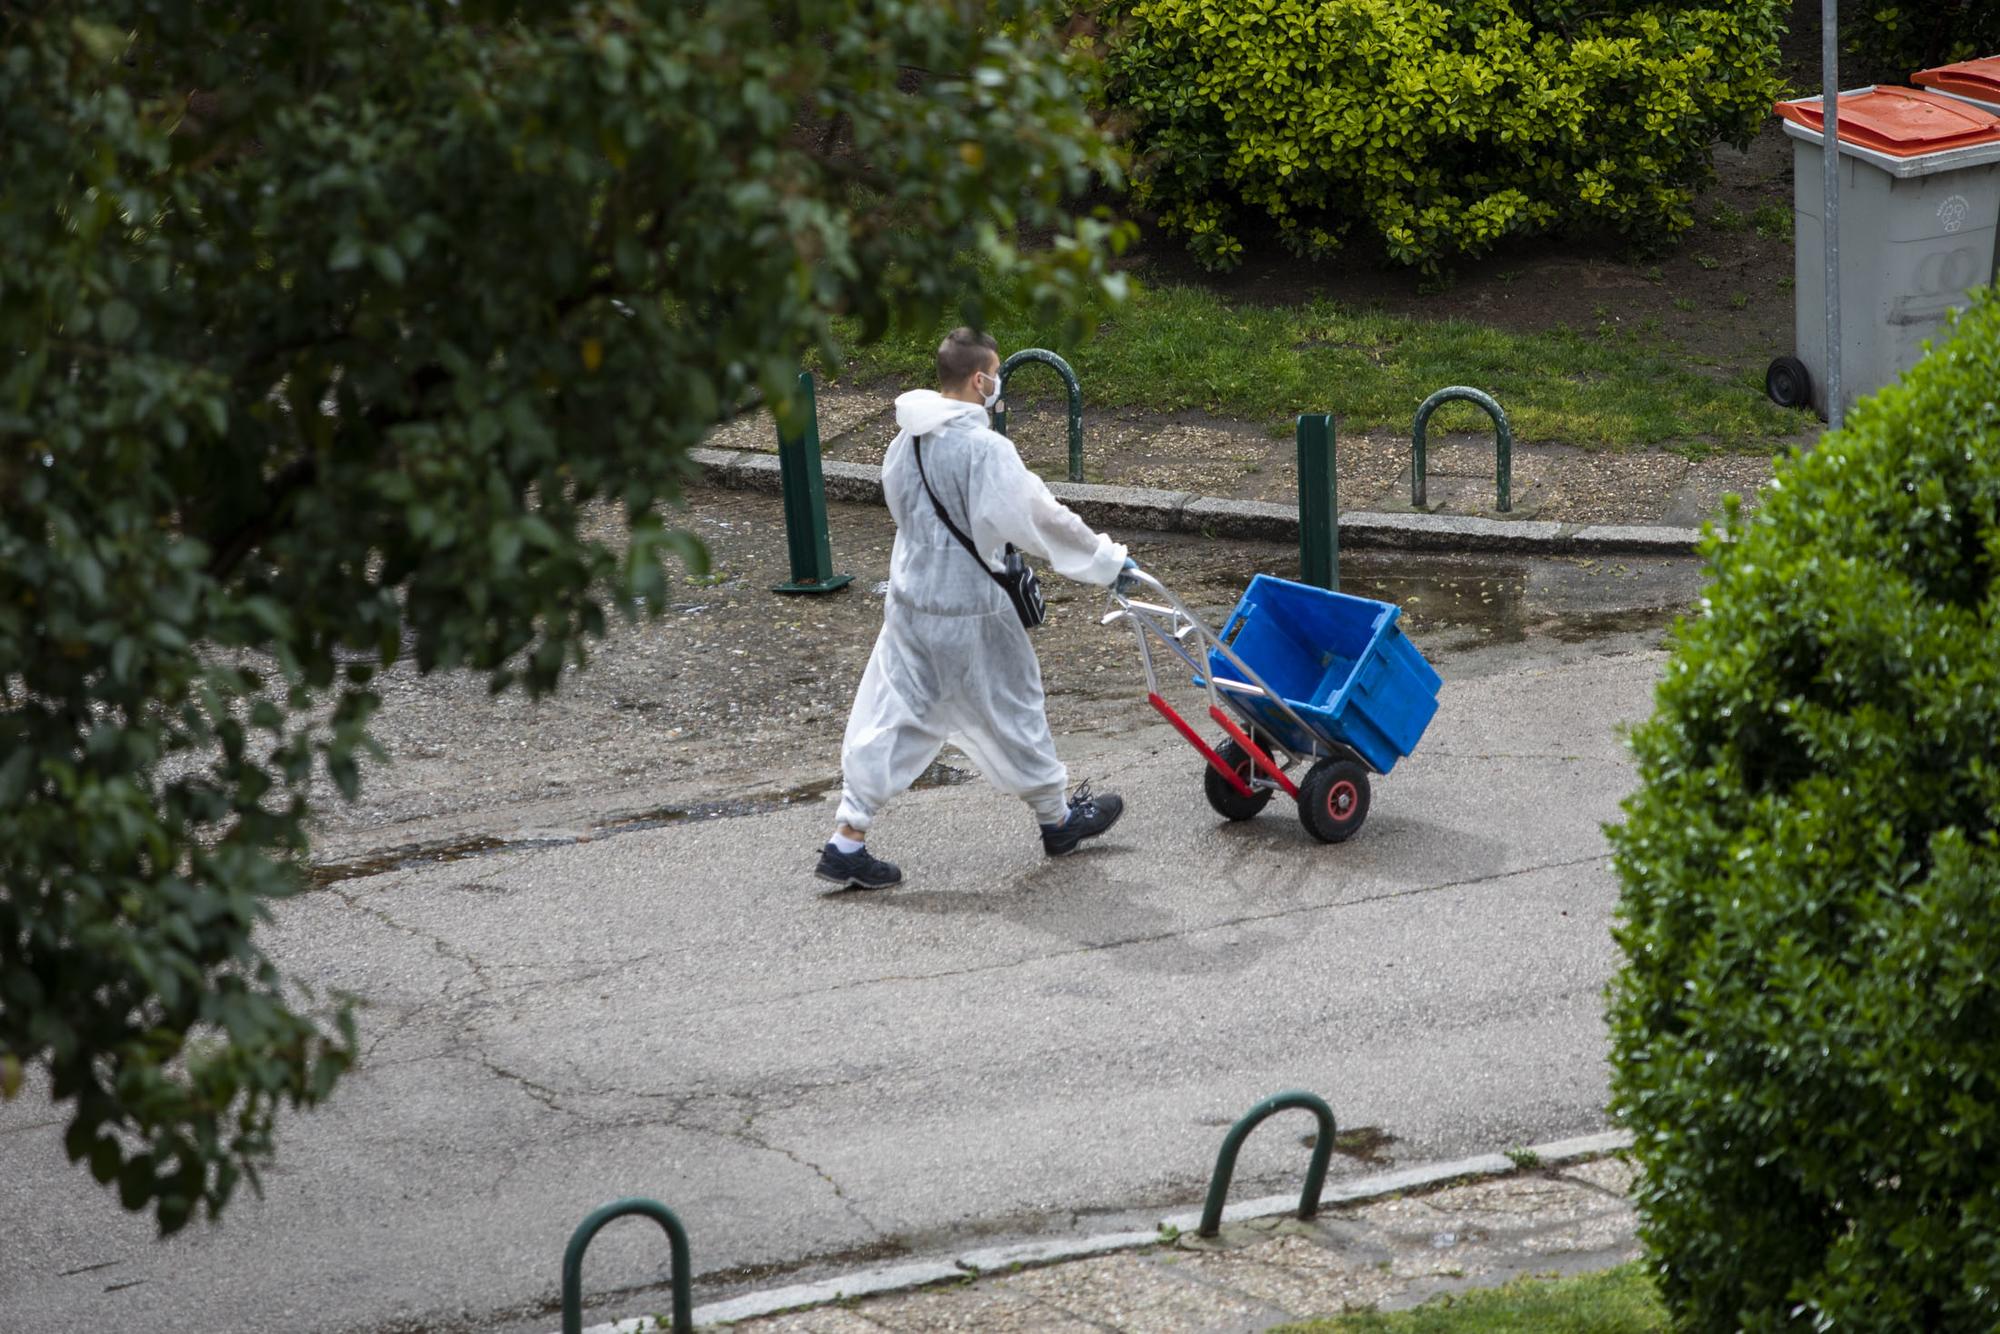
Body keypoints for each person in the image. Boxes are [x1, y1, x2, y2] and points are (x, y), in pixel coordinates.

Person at [816, 328, 1138, 890]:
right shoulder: (986, 450)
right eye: (997, 378)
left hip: (912, 603)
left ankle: (848, 836)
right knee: (1014, 706)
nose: (999, 390)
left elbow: (904, 512)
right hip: (972, 607)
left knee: (893, 713)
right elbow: (1040, 518)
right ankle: (1057, 818)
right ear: (979, 379)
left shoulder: (906, 443)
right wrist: (1107, 560)